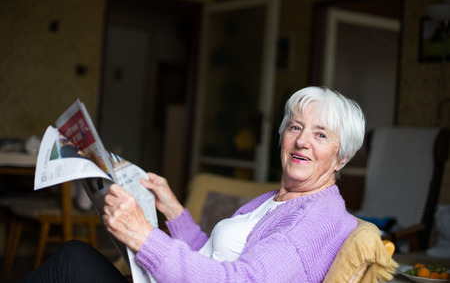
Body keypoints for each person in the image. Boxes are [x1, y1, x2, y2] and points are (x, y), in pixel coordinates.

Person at [21, 86, 366, 282]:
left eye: (320, 134)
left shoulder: (315, 218)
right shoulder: (281, 199)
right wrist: (172, 207)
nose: (302, 140)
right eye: (295, 127)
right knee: (74, 257)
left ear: (342, 157)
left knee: (72, 262)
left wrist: (146, 237)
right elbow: (213, 258)